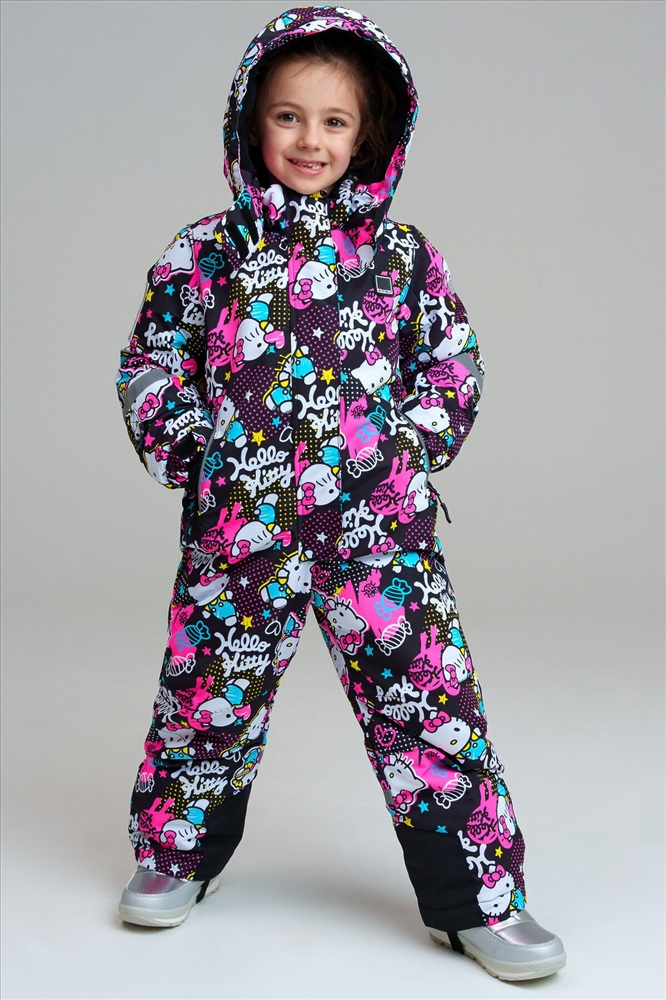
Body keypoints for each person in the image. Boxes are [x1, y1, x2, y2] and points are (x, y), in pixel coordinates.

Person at [115, 5, 565, 983]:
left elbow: (453, 362)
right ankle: (176, 852)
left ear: (369, 136)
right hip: (240, 536)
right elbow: (151, 363)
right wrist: (194, 452)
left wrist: (411, 449)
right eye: (288, 116)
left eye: (333, 121)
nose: (309, 140)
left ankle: (479, 899)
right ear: (251, 122)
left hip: (377, 539)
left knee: (431, 705)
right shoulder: (205, 253)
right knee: (204, 701)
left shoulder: (401, 259)